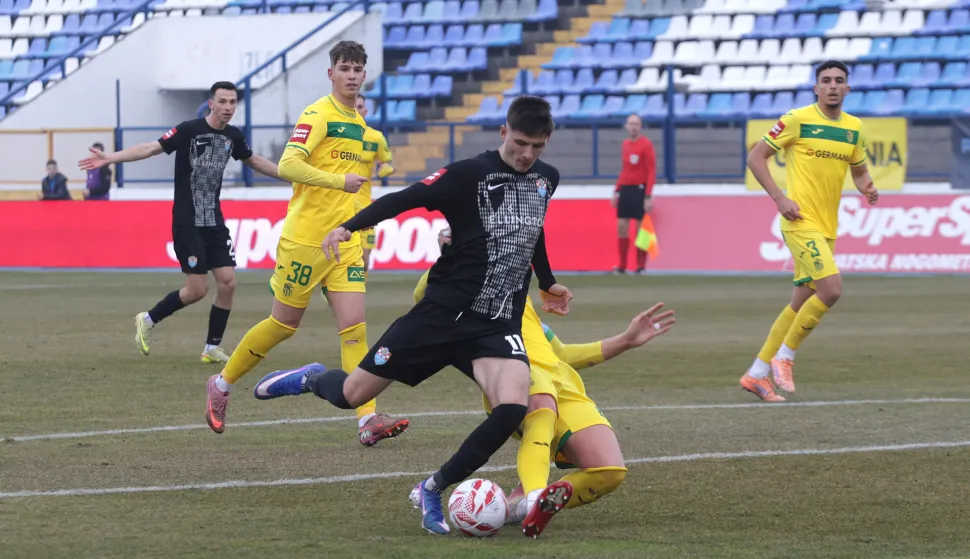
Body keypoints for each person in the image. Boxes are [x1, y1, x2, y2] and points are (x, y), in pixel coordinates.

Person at [251, 95, 573, 536]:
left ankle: (433, 488)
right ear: (503, 133)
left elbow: (531, 230)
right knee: (350, 393)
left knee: (514, 406)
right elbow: (406, 198)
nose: (527, 154)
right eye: (520, 143)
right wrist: (350, 226)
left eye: (537, 147)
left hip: (497, 322)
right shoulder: (467, 174)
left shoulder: (545, 179)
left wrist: (547, 281)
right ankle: (310, 377)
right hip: (440, 316)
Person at [406, 227, 676, 538]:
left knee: (609, 472)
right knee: (542, 407)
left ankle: (519, 507)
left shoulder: (521, 299)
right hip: (513, 374)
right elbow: (420, 296)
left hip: (562, 383)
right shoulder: (456, 292)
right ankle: (535, 495)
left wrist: (626, 341)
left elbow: (561, 353)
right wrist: (451, 256)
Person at [205, 41, 410, 445]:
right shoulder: (318, 114)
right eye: (344, 68)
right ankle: (222, 383)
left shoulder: (365, 128)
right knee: (283, 325)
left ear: (364, 75)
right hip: (305, 239)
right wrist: (338, 181)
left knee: (354, 330)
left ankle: (366, 420)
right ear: (331, 74)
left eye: (357, 69)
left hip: (344, 239)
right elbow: (288, 164)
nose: (351, 75)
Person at [78, 81, 281, 364]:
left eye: (232, 102)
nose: (228, 107)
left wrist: (292, 174)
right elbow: (151, 148)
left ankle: (211, 347)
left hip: (214, 220)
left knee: (228, 283)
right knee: (197, 289)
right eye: (222, 101)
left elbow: (254, 161)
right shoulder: (188, 130)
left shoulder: (233, 136)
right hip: (188, 221)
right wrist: (110, 158)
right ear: (211, 103)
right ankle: (148, 319)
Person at [740, 60, 878, 402]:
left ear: (848, 88)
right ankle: (784, 356)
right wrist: (779, 198)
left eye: (839, 81)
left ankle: (756, 375)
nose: (833, 85)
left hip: (828, 226)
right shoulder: (797, 119)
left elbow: (858, 170)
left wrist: (867, 186)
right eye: (826, 80)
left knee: (799, 303)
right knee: (831, 289)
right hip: (799, 220)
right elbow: (756, 158)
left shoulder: (854, 128)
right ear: (816, 88)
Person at [354, 93, 395, 270]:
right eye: (357, 106)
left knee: (363, 261)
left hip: (364, 207)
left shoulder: (376, 138)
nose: (360, 110)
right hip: (338, 206)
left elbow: (386, 162)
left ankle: (354, 297)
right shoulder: (335, 136)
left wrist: (386, 168)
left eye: (362, 106)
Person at [611, 114, 655, 275]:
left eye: (636, 124)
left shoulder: (646, 145)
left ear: (641, 126)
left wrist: (648, 195)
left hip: (639, 189)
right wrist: (617, 190)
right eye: (631, 124)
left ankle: (640, 265)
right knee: (622, 227)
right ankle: (622, 265)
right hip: (626, 189)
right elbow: (624, 170)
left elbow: (651, 171)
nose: (634, 127)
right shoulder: (625, 145)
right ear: (626, 127)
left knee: (639, 229)